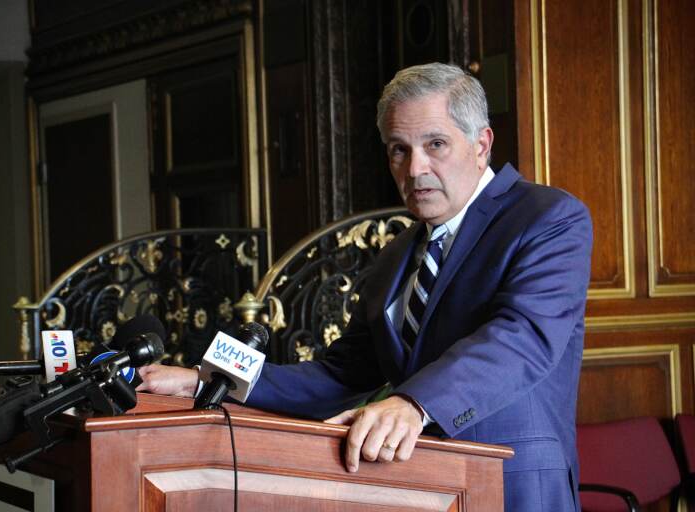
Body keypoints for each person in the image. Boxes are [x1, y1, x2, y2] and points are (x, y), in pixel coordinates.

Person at [137, 62, 592, 511]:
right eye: (399, 149)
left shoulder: (548, 218)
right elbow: (339, 376)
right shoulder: (395, 256)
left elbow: (522, 337)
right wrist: (209, 378)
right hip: (417, 491)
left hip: (514, 489)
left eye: (435, 144)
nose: (415, 170)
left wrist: (414, 403)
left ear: (481, 145)